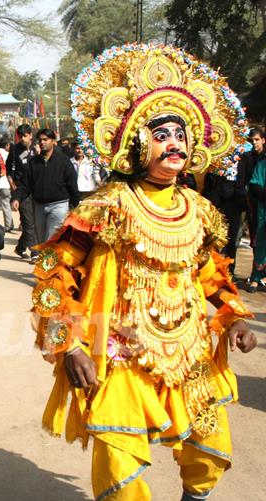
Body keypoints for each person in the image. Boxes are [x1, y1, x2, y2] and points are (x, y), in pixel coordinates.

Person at [33, 44, 256, 501]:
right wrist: (70, 344)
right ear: (136, 142)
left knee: (210, 449)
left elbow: (211, 273)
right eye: (161, 133)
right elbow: (53, 279)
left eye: (181, 133)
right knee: (120, 463)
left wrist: (231, 315)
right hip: (123, 352)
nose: (174, 142)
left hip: (190, 351)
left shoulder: (200, 210)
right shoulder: (105, 208)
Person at [13, 128, 79, 246]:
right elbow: (25, 184)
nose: (42, 142)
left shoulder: (63, 161)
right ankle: (46, 263)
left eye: (45, 139)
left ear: (53, 141)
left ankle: (50, 264)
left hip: (59, 206)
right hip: (39, 207)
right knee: (42, 241)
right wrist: (17, 198)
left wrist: (76, 205)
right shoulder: (33, 162)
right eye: (40, 140)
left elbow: (72, 184)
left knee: (51, 239)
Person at [6, 124, 38, 260]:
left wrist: (38, 153)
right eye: (21, 136)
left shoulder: (38, 148)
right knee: (28, 221)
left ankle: (20, 247)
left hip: (37, 190)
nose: (23, 139)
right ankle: (35, 252)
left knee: (34, 222)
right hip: (21, 190)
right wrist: (11, 182)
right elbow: (8, 169)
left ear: (30, 135)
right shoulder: (15, 149)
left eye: (25, 136)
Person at [244, 128, 266, 291]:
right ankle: (256, 278)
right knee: (261, 244)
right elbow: (254, 185)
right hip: (263, 210)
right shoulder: (262, 164)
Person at [0, 136, 14, 232]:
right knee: (6, 204)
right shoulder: (9, 154)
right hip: (6, 183)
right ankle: (9, 225)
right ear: (7, 145)